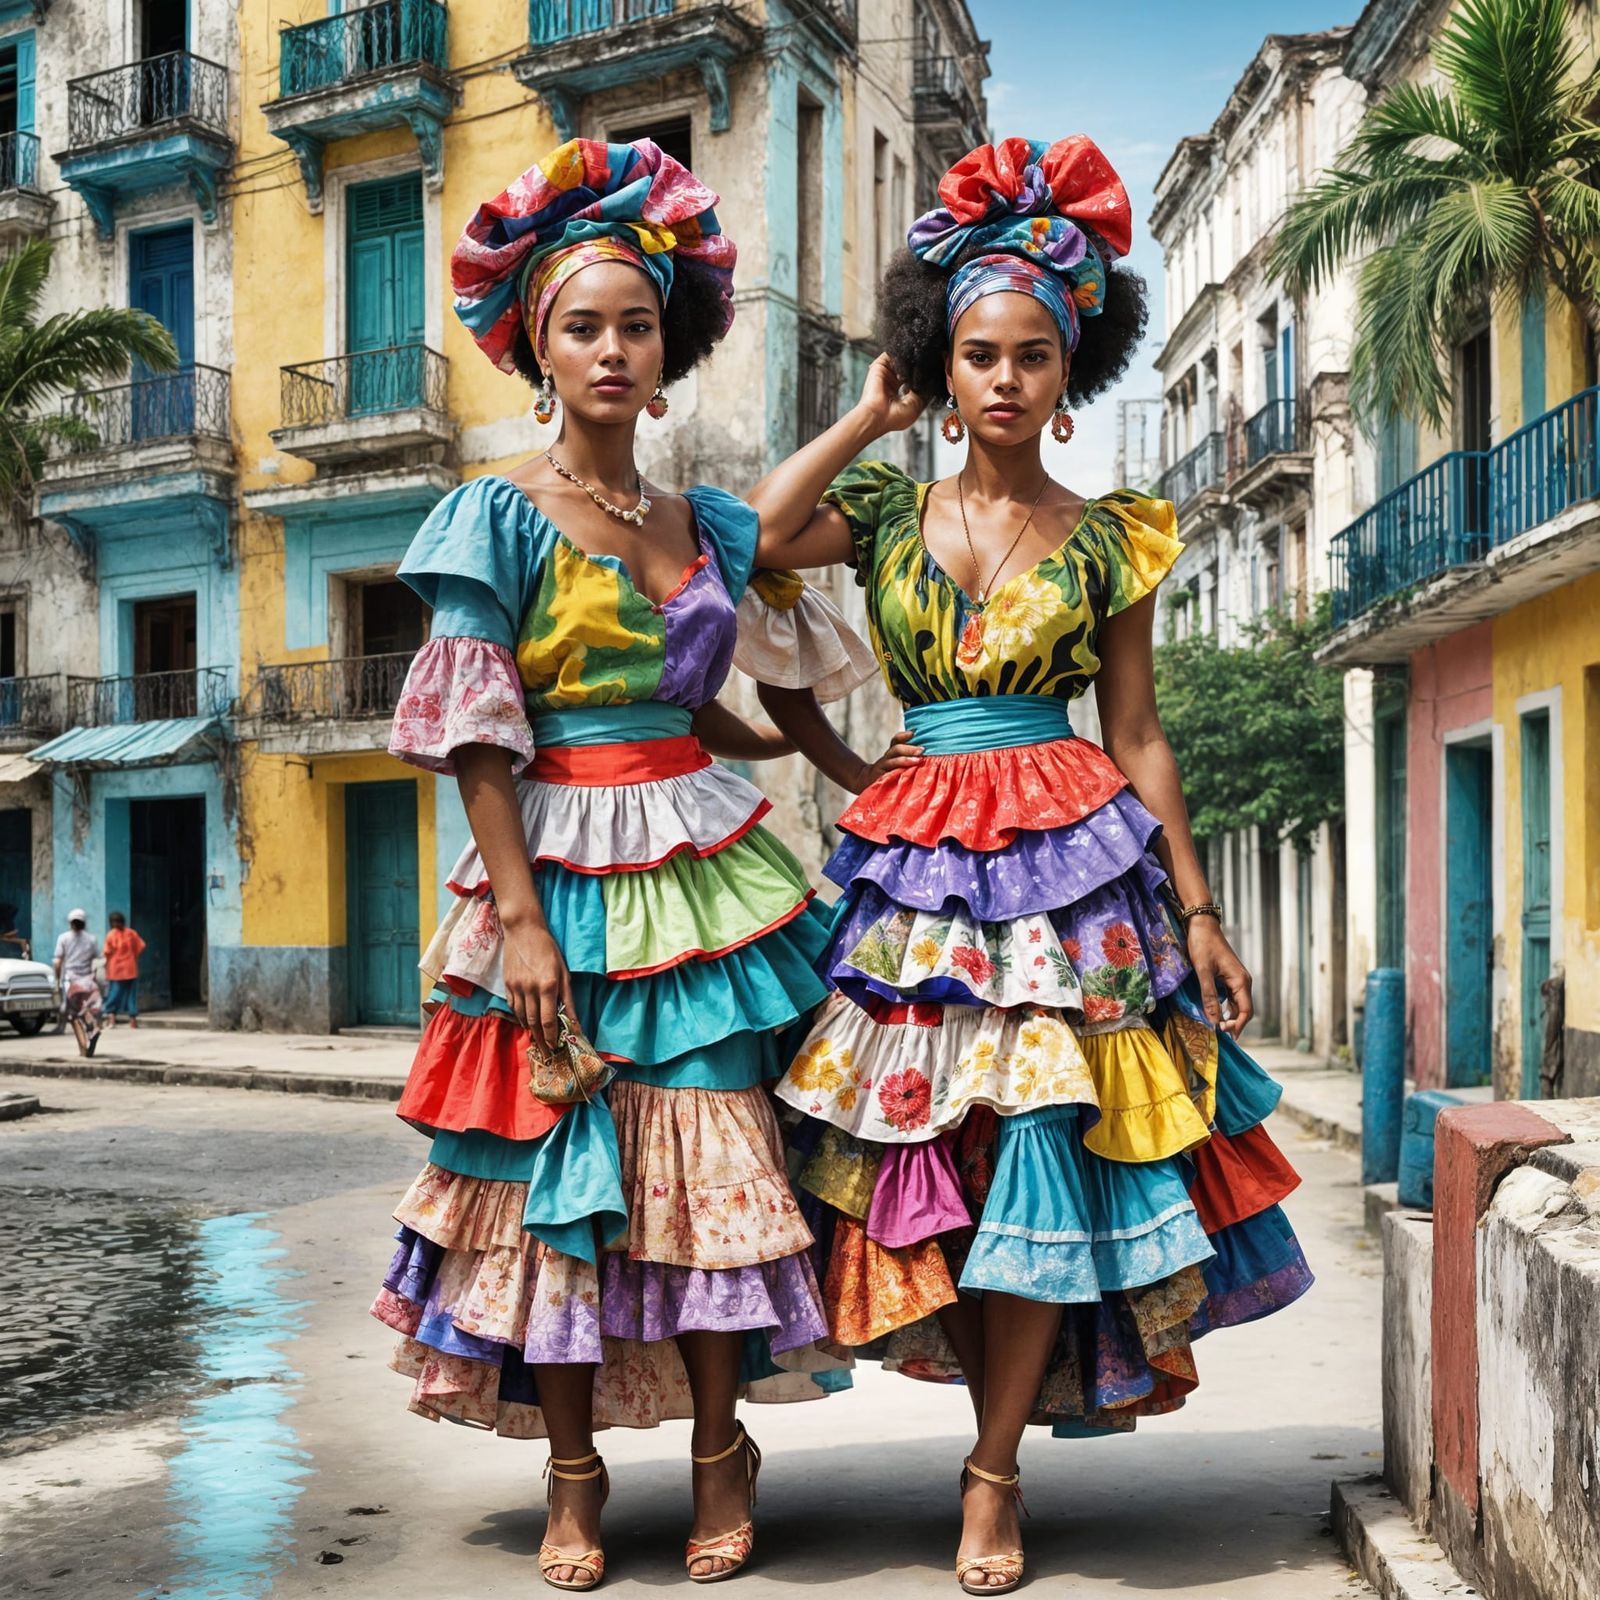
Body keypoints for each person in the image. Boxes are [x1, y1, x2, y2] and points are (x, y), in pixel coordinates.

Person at [750, 136, 1313, 1596]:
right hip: (912, 863)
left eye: (1034, 357)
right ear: (948, 361)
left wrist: (1197, 909)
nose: (1004, 379)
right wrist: (875, 411)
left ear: (1072, 377)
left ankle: (992, 1477)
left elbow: (1137, 731)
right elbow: (746, 539)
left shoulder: (1114, 538)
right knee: (913, 1156)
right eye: (978, 353)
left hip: (1076, 871)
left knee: (1049, 1152)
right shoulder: (878, 513)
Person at [369, 138, 889, 1591]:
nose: (610, 348)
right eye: (581, 325)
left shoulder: (705, 523)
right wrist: (520, 924)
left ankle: (724, 1454)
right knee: (567, 1176)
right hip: (551, 865)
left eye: (635, 325)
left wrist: (871, 420)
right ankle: (576, 1474)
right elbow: (482, 735)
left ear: (671, 350)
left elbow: (813, 598)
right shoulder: (492, 511)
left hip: (706, 856)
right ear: (537, 345)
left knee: (722, 1156)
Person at [53, 907, 102, 1057]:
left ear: (70, 923)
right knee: (86, 1010)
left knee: (73, 1017)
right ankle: (93, 1028)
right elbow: (96, 961)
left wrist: (57, 979)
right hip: (88, 982)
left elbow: (57, 962)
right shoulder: (92, 939)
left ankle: (82, 1049)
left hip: (72, 982)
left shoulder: (63, 938)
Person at [102, 911, 147, 1028]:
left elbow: (106, 952)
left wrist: (106, 964)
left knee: (114, 994)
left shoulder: (111, 935)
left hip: (116, 970)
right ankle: (133, 1020)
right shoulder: (131, 933)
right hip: (131, 968)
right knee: (131, 995)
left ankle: (111, 1017)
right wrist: (133, 956)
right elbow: (141, 946)